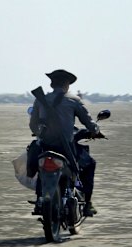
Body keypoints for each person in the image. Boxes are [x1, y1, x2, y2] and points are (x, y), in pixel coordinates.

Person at [28, 69, 100, 216]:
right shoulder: (74, 100)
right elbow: (88, 122)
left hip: (45, 145)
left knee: (40, 168)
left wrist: (39, 133)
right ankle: (87, 204)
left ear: (52, 84)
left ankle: (39, 199)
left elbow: (32, 124)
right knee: (89, 164)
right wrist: (95, 130)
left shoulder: (41, 99)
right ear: (67, 84)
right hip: (66, 148)